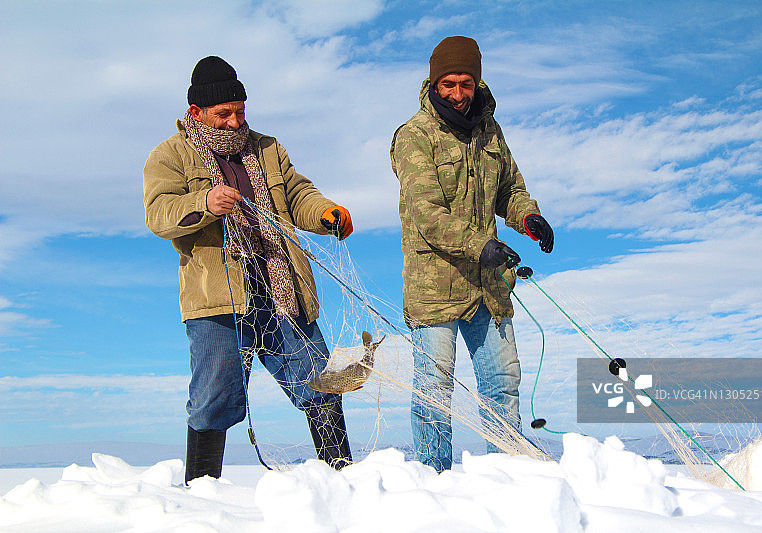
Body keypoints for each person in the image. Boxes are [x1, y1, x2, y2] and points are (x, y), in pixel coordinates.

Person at [143, 56, 355, 483]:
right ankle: (202, 493)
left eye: (240, 111)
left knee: (321, 383)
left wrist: (325, 213)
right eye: (224, 113)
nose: (234, 121)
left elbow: (298, 193)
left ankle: (344, 481)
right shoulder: (169, 155)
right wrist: (203, 203)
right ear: (196, 112)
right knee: (213, 399)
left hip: (281, 288)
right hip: (216, 301)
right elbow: (158, 214)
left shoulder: (267, 147)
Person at [389, 36, 554, 471]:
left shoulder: (490, 131)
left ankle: (505, 474)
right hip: (434, 288)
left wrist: (528, 217)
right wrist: (480, 245)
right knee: (434, 391)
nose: (458, 94)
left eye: (466, 83)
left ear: (477, 82)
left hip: (488, 286)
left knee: (502, 385)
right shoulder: (414, 136)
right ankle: (434, 480)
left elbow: (510, 189)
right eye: (449, 84)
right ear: (434, 83)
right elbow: (427, 213)